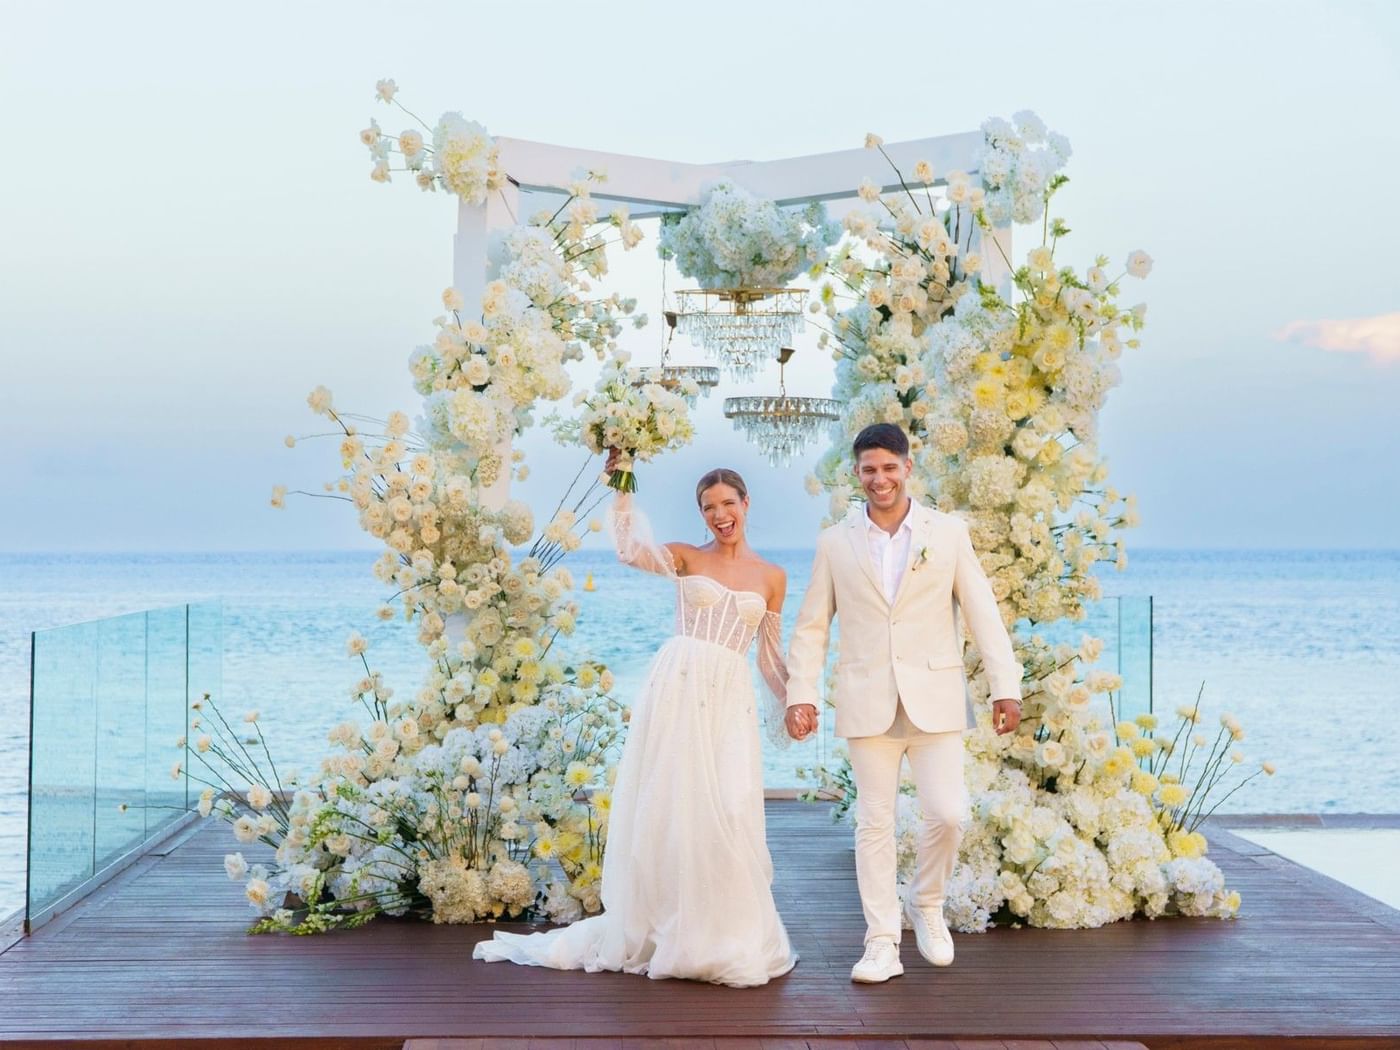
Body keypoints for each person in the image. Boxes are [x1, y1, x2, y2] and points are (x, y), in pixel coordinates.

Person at [473, 451, 797, 986]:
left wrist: (794, 701)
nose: (720, 515)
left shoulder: (773, 576)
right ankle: (670, 924)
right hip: (679, 684)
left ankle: (724, 931)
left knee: (731, 806)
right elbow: (629, 551)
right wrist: (621, 484)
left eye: (728, 503)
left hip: (729, 698)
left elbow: (768, 656)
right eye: (708, 507)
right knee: (675, 806)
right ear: (701, 513)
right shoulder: (685, 557)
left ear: (746, 503)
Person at [785, 422, 1023, 983]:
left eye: (889, 468)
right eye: (869, 469)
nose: (880, 479)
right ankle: (881, 942)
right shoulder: (834, 542)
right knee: (874, 823)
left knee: (949, 813)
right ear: (857, 473)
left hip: (935, 697)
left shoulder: (948, 533)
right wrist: (801, 694)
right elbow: (812, 626)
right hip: (866, 699)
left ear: (907, 468)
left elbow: (983, 613)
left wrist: (1005, 686)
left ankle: (926, 902)